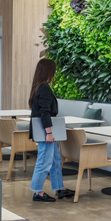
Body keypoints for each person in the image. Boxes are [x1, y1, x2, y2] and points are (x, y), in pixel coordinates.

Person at [28, 59, 74, 202]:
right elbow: (45, 112)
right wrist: (49, 133)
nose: (55, 72)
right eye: (54, 70)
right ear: (48, 71)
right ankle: (38, 192)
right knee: (44, 161)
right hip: (45, 132)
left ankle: (59, 188)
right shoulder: (44, 88)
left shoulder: (38, 87)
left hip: (44, 131)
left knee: (55, 160)